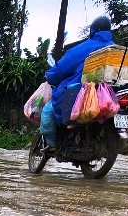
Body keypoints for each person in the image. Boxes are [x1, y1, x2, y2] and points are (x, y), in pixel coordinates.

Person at [40, 15, 114, 150]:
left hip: (81, 93)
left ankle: (52, 145)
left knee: (48, 111)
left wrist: (50, 77)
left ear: (93, 31)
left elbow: (61, 69)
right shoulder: (115, 49)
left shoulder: (82, 48)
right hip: (110, 94)